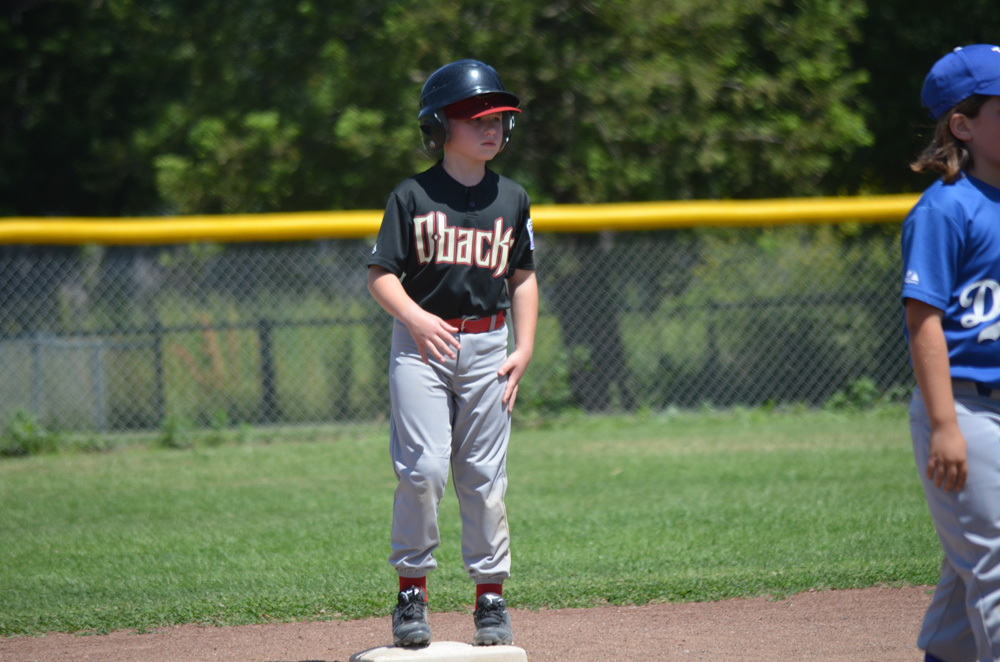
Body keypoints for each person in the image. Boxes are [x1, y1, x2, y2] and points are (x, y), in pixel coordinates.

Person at [366, 59, 538, 648]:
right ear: (440, 126)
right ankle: (411, 592)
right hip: (421, 346)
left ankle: (490, 598)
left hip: (490, 346)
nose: (490, 127)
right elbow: (381, 275)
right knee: (424, 469)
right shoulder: (411, 195)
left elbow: (522, 276)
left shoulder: (512, 197)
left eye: (498, 117)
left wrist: (525, 347)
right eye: (474, 117)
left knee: (485, 475)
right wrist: (415, 318)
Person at [901, 44, 1000, 662]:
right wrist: (944, 425)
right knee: (996, 567)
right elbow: (924, 321)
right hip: (966, 408)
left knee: (970, 574)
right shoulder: (946, 208)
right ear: (962, 125)